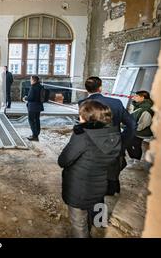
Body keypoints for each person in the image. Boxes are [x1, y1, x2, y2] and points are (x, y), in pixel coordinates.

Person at [58, 100, 121, 238]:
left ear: (88, 118)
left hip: (78, 188)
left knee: (78, 224)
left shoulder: (83, 136)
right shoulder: (114, 135)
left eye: (81, 115)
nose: (79, 118)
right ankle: (97, 225)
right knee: (90, 213)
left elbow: (63, 160)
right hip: (98, 185)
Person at [78, 76, 136, 195]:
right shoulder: (116, 102)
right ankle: (111, 188)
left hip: (93, 145)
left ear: (86, 89)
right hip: (114, 142)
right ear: (100, 88)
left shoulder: (83, 104)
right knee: (113, 167)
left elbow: (84, 128)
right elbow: (132, 124)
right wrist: (123, 141)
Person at [126, 90, 154, 165]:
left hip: (139, 131)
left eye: (136, 96)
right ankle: (133, 158)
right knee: (129, 143)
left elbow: (144, 123)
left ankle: (136, 161)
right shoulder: (138, 105)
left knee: (135, 145)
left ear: (142, 97)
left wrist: (133, 129)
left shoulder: (146, 109)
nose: (134, 97)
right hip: (134, 129)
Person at [23, 75, 44, 141]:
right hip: (39, 106)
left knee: (31, 120)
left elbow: (31, 98)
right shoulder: (41, 86)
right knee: (37, 120)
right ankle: (36, 134)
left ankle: (34, 136)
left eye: (31, 79)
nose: (30, 81)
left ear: (33, 80)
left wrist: (25, 98)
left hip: (33, 107)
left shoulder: (33, 87)